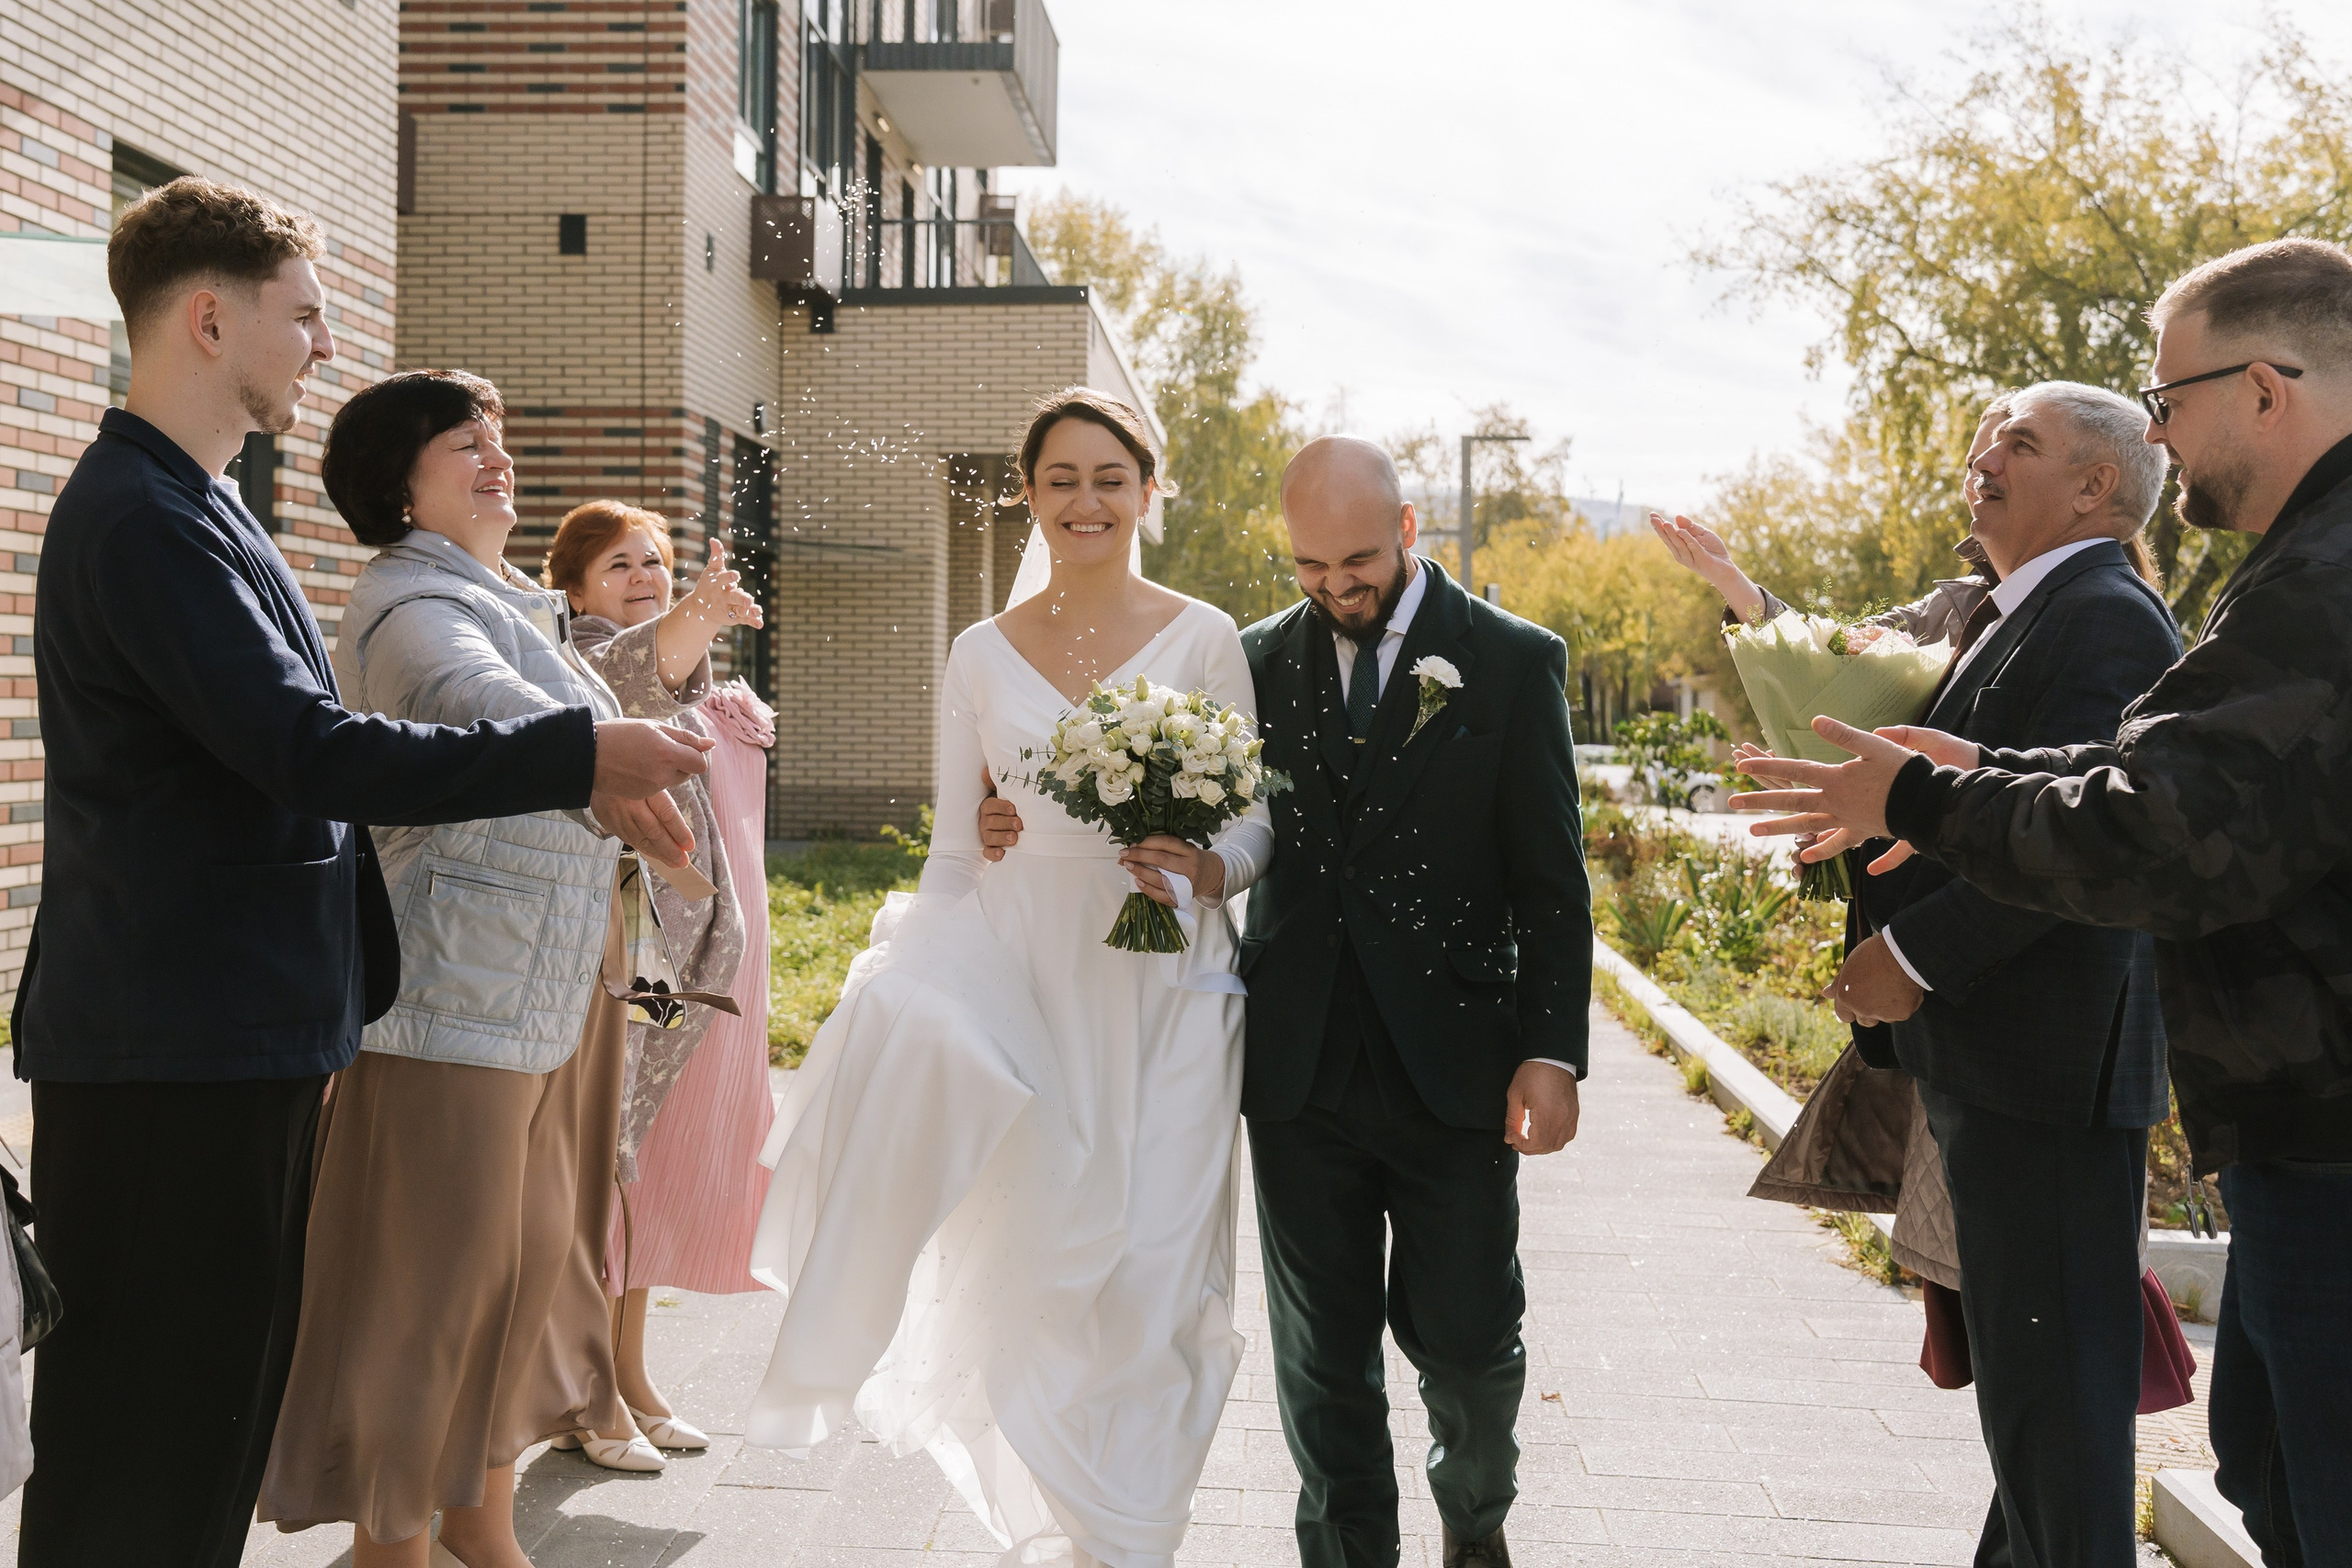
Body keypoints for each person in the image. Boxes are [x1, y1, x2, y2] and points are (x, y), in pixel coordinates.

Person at [16, 177, 707, 1568]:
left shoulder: (200, 507)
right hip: (174, 1038)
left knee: (198, 1426)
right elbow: (306, 746)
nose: (323, 347)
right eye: (306, 317)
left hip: (230, 1029)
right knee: (146, 1438)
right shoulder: (148, 520)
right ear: (210, 320)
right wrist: (579, 754)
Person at [1736, 238, 2352, 1563]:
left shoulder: (2315, 581)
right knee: (2251, 1450)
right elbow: (2167, 774)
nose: (2158, 433)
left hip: (2293, 1123)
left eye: (2169, 398)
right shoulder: (2303, 564)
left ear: (2263, 387)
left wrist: (1921, 808)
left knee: (2163, 1442)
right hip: (2295, 1126)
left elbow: (2156, 829)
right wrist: (1979, 767)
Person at [984, 434, 1591, 1568]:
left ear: (1409, 531)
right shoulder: (1250, 658)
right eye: (1310, 565)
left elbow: (1554, 885)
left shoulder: (1511, 662)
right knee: (1322, 1357)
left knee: (1466, 1339)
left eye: (1357, 559)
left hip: (1457, 1061)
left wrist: (1552, 1053)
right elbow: (1139, 771)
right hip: (1295, 1063)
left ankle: (1477, 1517)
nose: (1335, 585)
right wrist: (1004, 813)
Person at [746, 388, 1270, 1568]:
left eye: (1111, 478)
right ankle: (1091, 1534)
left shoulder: (1205, 635)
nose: (1087, 500)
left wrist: (1202, 870)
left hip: (1171, 985)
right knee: (1043, 1258)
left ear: (1147, 491)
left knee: (1159, 1265)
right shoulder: (979, 651)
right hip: (1023, 974)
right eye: (1063, 479)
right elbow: (948, 849)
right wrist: (911, 1000)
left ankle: (1139, 1528)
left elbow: (1255, 826)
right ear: (1029, 495)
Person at [1747, 385, 2187, 1566]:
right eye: (1985, 433)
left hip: (2044, 1069)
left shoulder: (2107, 619)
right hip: (1995, 1062)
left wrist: (1912, 955)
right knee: (2036, 1410)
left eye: (2021, 443)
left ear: (2096, 487)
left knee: (2059, 1416)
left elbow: (2080, 841)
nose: (1983, 453)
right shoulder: (2008, 613)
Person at [255, 369, 676, 1562]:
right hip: (449, 1007)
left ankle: (483, 1533)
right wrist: (595, 749)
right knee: (432, 1304)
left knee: (520, 1282)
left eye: (497, 439)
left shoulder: (505, 596)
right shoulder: (407, 603)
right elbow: (461, 698)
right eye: (460, 444)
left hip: (541, 1005)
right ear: (399, 481)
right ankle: (390, 1547)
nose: (495, 457)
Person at [541, 500, 774, 1469]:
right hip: (626, 935)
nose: (642, 576)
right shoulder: (580, 657)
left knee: (636, 1149)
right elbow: (635, 669)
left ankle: (628, 1374)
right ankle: (587, 1392)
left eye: (653, 562)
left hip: (672, 948)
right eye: (619, 565)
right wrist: (696, 615)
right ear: (578, 590)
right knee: (606, 1161)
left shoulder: (683, 670)